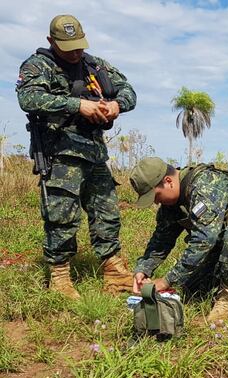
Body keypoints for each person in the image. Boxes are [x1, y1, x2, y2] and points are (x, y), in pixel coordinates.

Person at [16, 14, 136, 299]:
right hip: (60, 153)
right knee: (61, 216)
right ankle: (60, 277)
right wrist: (77, 105)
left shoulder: (94, 64)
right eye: (68, 46)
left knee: (106, 212)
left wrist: (117, 104)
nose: (76, 52)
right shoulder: (37, 65)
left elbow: (129, 91)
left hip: (94, 153)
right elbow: (28, 99)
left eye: (79, 45)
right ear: (51, 41)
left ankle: (114, 271)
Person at [129, 157, 228, 323]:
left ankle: (226, 298)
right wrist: (143, 269)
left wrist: (166, 280)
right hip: (221, 246)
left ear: (168, 181)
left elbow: (204, 240)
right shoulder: (171, 204)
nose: (156, 202)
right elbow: (161, 240)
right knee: (192, 290)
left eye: (156, 196)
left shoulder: (206, 185)